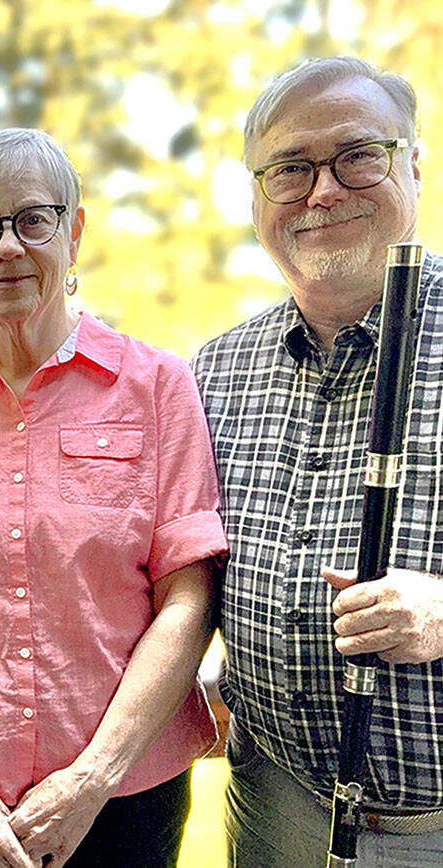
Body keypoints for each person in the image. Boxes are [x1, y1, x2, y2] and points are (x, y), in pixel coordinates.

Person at [0, 128, 226, 868]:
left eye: (33, 220)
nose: (7, 248)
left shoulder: (157, 387)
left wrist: (92, 779)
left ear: (74, 231)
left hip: (128, 795)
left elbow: (189, 596)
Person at [194, 56, 443, 866]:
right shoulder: (215, 370)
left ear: (413, 163)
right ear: (257, 199)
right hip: (273, 805)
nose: (324, 191)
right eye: (291, 169)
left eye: (358, 156)